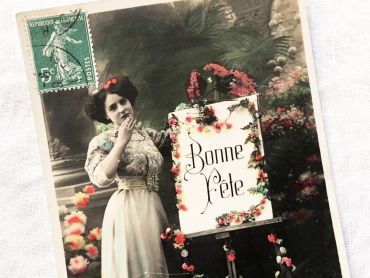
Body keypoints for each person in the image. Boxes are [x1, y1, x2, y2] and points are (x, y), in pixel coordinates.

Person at [85, 76, 169, 278]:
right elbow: (101, 177)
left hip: (152, 205)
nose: (121, 109)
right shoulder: (104, 140)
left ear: (130, 101)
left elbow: (174, 137)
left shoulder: (146, 135)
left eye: (123, 101)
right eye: (112, 107)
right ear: (106, 115)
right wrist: (121, 141)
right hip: (129, 209)